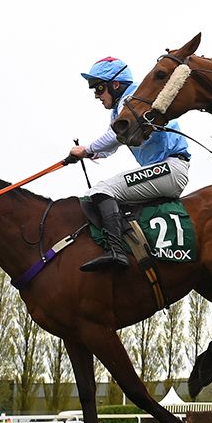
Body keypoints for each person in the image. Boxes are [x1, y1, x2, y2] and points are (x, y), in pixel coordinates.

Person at [66, 57, 191, 271]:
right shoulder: (121, 108)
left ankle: (117, 251)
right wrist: (90, 154)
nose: (96, 95)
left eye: (99, 88)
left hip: (170, 168)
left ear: (115, 85)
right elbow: (112, 144)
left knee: (102, 190)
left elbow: (113, 137)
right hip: (163, 170)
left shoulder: (133, 100)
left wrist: (87, 149)